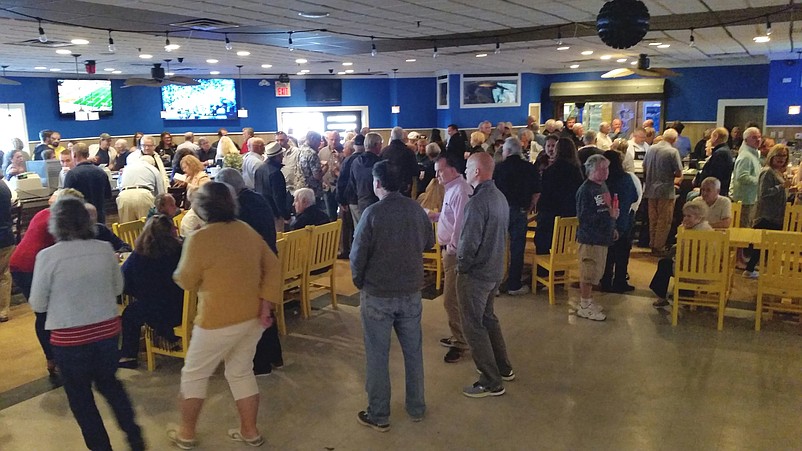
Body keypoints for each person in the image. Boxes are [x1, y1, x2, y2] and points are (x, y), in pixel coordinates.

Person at [28, 197, 145, 451]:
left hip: (69, 341)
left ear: (56, 224)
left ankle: (101, 447)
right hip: (106, 333)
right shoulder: (104, 248)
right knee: (111, 385)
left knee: (81, 399)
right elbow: (118, 288)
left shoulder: (47, 257)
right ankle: (134, 436)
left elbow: (38, 303)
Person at [170, 182, 279, 449]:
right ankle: (250, 431)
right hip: (252, 317)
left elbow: (185, 280)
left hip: (216, 319)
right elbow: (273, 266)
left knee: (195, 375)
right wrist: (266, 305)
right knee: (241, 372)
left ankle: (186, 433)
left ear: (202, 208)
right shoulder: (246, 230)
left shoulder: (199, 238)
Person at [350, 160, 433, 431]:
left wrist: (359, 280)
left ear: (377, 183)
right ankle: (417, 406)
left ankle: (379, 413)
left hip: (378, 294)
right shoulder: (416, 210)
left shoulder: (372, 213)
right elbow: (429, 242)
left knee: (377, 354)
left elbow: (357, 254)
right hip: (411, 292)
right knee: (413, 352)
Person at [458, 152, 515, 397]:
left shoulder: (477, 202)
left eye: (468, 168)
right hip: (494, 268)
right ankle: (503, 367)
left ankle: (491, 380)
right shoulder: (499, 197)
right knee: (488, 318)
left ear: (478, 171)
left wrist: (461, 266)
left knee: (473, 325)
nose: (465, 172)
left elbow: (469, 243)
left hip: (477, 273)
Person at [118, 215, 184, 369]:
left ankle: (128, 355)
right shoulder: (180, 251)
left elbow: (124, 282)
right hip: (183, 308)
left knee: (129, 313)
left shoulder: (140, 255)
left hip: (157, 313)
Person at [429, 155, 472, 363]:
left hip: (454, 253)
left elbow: (461, 225)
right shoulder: (452, 187)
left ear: (453, 170)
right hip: (450, 249)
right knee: (452, 299)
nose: (436, 176)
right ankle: (457, 335)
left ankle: (462, 342)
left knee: (451, 300)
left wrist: (452, 250)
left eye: (440, 171)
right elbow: (451, 217)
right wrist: (436, 217)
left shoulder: (461, 190)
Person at [493, 136, 540, 295]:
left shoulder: (499, 167)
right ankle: (514, 284)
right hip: (520, 211)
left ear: (507, 151)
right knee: (517, 248)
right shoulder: (529, 167)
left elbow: (492, 191)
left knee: (497, 247)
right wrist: (528, 208)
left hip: (500, 210)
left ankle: (495, 284)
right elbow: (536, 192)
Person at [575, 154, 619, 321]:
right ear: (591, 170)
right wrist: (608, 215)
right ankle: (584, 305)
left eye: (607, 168)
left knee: (596, 273)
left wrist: (612, 225)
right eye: (602, 169)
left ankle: (588, 300)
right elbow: (584, 217)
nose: (606, 172)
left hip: (603, 237)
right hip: (590, 239)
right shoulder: (586, 190)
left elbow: (606, 208)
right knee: (588, 273)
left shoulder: (602, 186)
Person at [650, 202, 714, 308]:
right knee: (670, 256)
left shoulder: (693, 234)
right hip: (708, 270)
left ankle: (662, 297)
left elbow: (685, 254)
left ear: (699, 218)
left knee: (664, 264)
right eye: (685, 216)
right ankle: (684, 294)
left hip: (693, 271)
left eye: (689, 216)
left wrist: (681, 232)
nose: (685, 219)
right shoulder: (708, 230)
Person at [743, 145, 792, 278]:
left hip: (776, 214)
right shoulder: (767, 172)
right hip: (767, 214)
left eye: (784, 156)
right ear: (772, 156)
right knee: (760, 246)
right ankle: (752, 270)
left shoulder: (778, 172)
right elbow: (763, 193)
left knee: (764, 247)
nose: (781, 159)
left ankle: (754, 269)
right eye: (779, 155)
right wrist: (781, 187)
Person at [535, 137, 583, 258]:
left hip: (550, 216)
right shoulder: (578, 171)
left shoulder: (551, 171)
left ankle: (543, 272)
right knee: (561, 246)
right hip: (570, 216)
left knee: (541, 243)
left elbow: (545, 195)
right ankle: (559, 271)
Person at [599, 150, 637, 293]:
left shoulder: (604, 180)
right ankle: (620, 281)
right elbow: (634, 197)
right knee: (622, 252)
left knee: (608, 253)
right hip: (624, 220)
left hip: (607, 221)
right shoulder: (627, 178)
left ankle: (606, 280)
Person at [642, 129, 683, 255]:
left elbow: (644, 166)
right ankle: (659, 246)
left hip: (650, 188)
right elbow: (678, 172)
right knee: (664, 220)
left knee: (653, 218)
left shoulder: (651, 149)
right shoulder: (672, 151)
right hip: (665, 190)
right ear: (674, 140)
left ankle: (652, 243)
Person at [63, 143, 112, 224]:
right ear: (88, 154)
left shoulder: (72, 174)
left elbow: (65, 200)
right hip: (99, 218)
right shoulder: (101, 172)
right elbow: (108, 195)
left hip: (80, 220)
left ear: (74, 155)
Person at [254, 141, 291, 233]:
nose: (282, 157)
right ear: (277, 157)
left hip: (262, 212)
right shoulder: (276, 173)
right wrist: (286, 215)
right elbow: (278, 197)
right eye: (281, 155)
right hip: (275, 214)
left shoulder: (259, 169)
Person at [116, 155, 166, 222]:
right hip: (143, 195)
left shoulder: (127, 168)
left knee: (126, 227)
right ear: (152, 163)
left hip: (124, 196)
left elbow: (119, 184)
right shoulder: (152, 169)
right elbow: (160, 191)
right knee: (146, 225)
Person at [732, 127, 763, 228]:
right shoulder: (746, 156)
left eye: (759, 137)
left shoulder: (753, 154)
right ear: (746, 140)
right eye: (754, 137)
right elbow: (742, 177)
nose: (758, 140)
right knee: (744, 228)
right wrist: (760, 181)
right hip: (745, 200)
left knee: (748, 225)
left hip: (751, 198)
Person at [381, 127, 420, 198]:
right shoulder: (408, 152)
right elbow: (415, 171)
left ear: (391, 137)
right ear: (403, 138)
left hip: (386, 186)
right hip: (404, 187)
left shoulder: (384, 151)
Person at [694, 127, 733, 196]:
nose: (710, 140)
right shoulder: (724, 151)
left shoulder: (720, 153)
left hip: (713, 193)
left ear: (716, 137)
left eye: (711, 137)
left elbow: (713, 175)